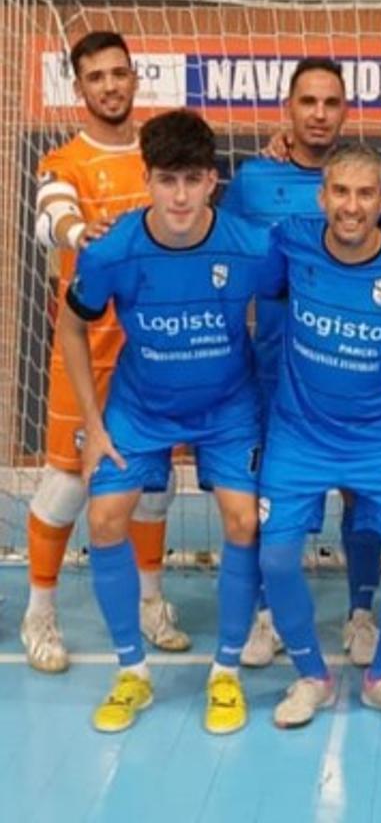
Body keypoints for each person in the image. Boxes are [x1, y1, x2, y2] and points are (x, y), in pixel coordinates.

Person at [60, 109, 269, 734]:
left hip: (228, 408)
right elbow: (71, 327)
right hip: (140, 407)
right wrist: (94, 425)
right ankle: (132, 672)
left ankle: (226, 671)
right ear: (146, 179)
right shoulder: (112, 251)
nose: (180, 196)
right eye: (167, 180)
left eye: (192, 180)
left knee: (243, 520)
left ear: (212, 181)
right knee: (104, 518)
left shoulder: (252, 246)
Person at [223, 56, 381, 669]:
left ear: (346, 110)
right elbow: (230, 262)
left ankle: (361, 612)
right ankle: (270, 614)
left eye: (331, 102)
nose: (320, 114)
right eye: (308, 102)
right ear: (288, 109)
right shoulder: (254, 180)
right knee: (273, 500)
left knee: (359, 493)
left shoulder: (373, 183)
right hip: (274, 370)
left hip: (353, 374)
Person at [257, 144, 381, 729]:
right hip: (299, 434)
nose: (352, 206)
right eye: (341, 191)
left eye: (366, 194)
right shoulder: (290, 241)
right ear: (322, 197)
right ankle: (311, 676)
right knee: (276, 558)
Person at [25, 30, 188, 674]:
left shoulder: (158, 156)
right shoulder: (64, 161)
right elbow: (50, 218)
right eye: (96, 77)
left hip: (156, 352)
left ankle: (151, 602)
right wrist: (77, 230)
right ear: (79, 87)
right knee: (68, 484)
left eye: (119, 73)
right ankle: (40, 613)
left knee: (153, 482)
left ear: (134, 77)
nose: (111, 86)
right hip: (88, 352)